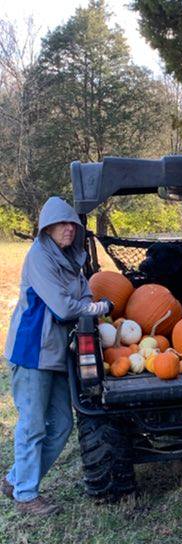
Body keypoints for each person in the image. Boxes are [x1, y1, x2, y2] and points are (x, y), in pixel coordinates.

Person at [3, 197, 113, 515]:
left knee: (63, 425)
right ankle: (26, 495)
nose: (68, 229)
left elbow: (84, 291)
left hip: (58, 354)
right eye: (61, 224)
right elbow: (64, 307)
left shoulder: (69, 258)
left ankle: (15, 479)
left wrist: (89, 302)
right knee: (33, 425)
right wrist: (100, 308)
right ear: (47, 228)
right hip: (32, 351)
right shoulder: (39, 257)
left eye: (72, 224)